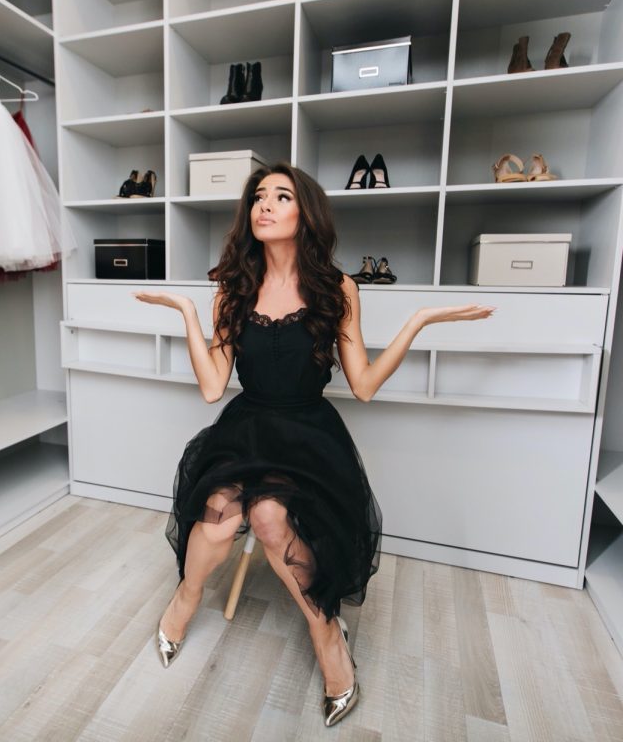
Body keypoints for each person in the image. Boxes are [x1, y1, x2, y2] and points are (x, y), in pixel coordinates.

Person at [133, 162, 494, 728]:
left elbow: (365, 386)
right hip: (245, 429)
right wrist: (185, 312)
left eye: (280, 196)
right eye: (257, 197)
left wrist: (418, 321)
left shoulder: (338, 287)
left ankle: (327, 636)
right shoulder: (233, 289)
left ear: (306, 213)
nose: (265, 205)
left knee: (273, 520)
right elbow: (210, 387)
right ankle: (185, 599)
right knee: (218, 521)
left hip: (308, 436)